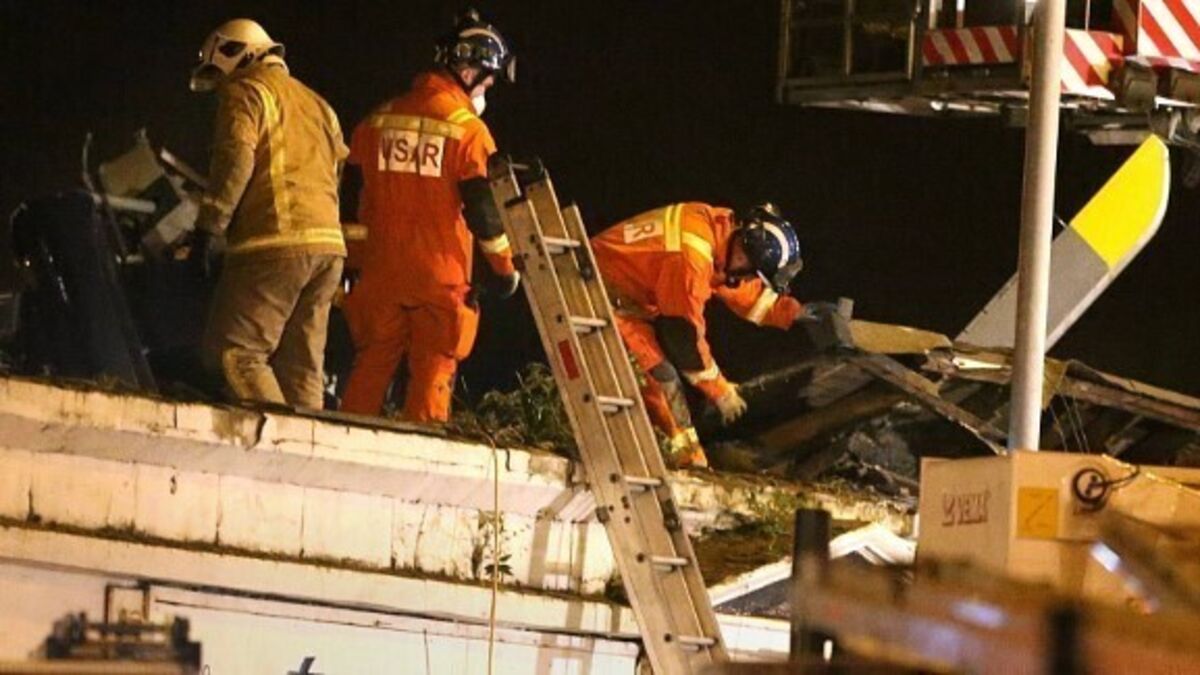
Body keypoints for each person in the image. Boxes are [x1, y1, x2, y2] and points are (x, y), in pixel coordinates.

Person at [338, 9, 519, 422]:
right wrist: (505, 270)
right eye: (488, 80)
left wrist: (354, 265)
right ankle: (422, 451)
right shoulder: (469, 132)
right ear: (469, 71)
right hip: (440, 279)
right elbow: (484, 213)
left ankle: (344, 443)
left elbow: (350, 202)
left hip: (379, 273)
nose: (487, 89)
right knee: (434, 371)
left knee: (370, 366)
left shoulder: (376, 121)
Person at [190, 19, 348, 409]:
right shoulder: (319, 104)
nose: (220, 88)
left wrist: (209, 229)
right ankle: (306, 445)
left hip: (273, 243)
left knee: (236, 352)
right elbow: (336, 170)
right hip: (329, 249)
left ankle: (279, 439)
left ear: (234, 54)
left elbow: (235, 159)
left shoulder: (246, 90)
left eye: (218, 75)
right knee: (301, 369)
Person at [591, 202, 812, 469]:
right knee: (662, 383)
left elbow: (736, 288)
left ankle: (683, 461)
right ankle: (687, 466)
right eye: (752, 273)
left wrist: (795, 314)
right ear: (745, 253)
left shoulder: (716, 230)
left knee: (663, 379)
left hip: (616, 295)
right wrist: (720, 391)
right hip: (597, 298)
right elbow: (684, 339)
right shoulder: (690, 261)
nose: (748, 279)